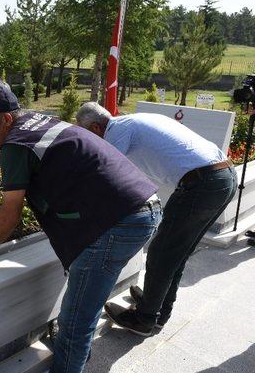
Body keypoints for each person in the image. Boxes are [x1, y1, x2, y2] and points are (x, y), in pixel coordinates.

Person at [0, 88, 162, 373]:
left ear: (4, 119)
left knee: (75, 320)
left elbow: (11, 213)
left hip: (118, 222)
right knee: (84, 305)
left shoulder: (15, 143)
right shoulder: (42, 121)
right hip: (141, 207)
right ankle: (79, 354)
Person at [76, 102, 238, 336]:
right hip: (222, 176)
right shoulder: (130, 122)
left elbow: (104, 175)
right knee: (175, 253)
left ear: (95, 128)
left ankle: (144, 318)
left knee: (161, 253)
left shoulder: (115, 133)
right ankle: (158, 308)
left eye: (86, 134)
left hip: (202, 184)